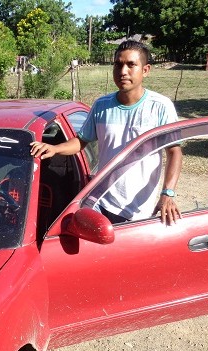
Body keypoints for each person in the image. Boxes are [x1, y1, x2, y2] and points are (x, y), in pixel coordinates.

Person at [30, 40, 182, 226]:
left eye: (131, 64)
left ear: (145, 70)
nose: (123, 71)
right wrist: (54, 148)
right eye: (118, 64)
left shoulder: (160, 107)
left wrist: (167, 194)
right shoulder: (101, 105)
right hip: (100, 201)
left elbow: (174, 152)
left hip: (137, 210)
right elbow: (81, 141)